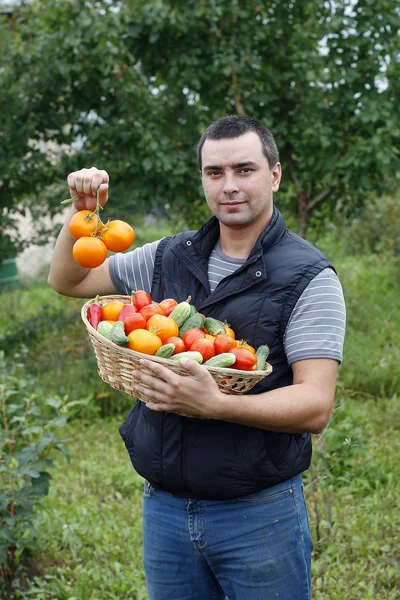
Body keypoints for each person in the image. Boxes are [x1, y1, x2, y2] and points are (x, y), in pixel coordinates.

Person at [48, 115, 346, 600]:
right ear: (203, 179)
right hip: (165, 509)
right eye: (214, 173)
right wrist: (81, 215)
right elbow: (70, 281)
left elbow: (315, 405)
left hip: (259, 514)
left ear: (274, 175)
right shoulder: (168, 256)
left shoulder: (310, 278)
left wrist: (218, 405)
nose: (229, 186)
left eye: (244, 170)